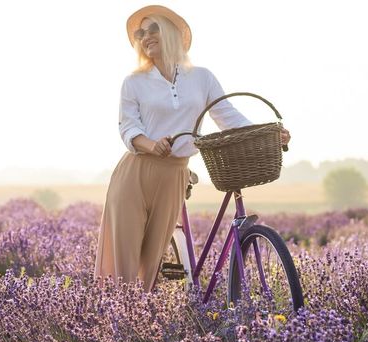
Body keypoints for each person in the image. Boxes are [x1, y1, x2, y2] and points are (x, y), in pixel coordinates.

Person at [94, 5, 291, 292]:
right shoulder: (134, 82)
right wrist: (152, 144)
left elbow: (227, 116)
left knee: (150, 263)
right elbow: (128, 128)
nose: (145, 37)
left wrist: (268, 134)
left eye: (153, 30)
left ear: (172, 33)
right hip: (135, 174)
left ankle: (134, 320)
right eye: (140, 33)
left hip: (174, 174)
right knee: (124, 260)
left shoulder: (202, 77)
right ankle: (114, 324)